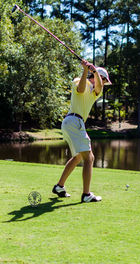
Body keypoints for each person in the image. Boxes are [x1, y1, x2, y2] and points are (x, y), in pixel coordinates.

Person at [52, 60, 112, 203]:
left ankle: (59, 186)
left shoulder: (95, 92)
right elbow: (80, 89)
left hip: (72, 123)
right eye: (104, 80)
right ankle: (86, 194)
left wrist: (94, 71)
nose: (103, 84)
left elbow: (98, 87)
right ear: (101, 78)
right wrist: (86, 70)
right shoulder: (79, 81)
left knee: (78, 157)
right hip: (73, 121)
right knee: (89, 158)